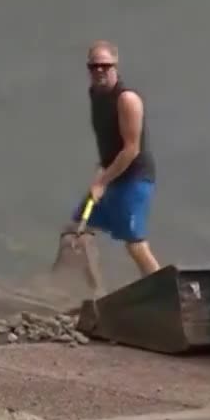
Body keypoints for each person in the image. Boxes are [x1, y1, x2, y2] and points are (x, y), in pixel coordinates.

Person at [63, 40, 162, 287]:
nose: (99, 71)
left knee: (135, 244)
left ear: (115, 66)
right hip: (110, 174)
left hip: (135, 178)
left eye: (105, 66)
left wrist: (101, 182)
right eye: (93, 66)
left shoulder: (128, 100)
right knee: (77, 228)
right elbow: (108, 138)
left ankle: (163, 292)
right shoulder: (95, 94)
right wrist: (102, 168)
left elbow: (131, 149)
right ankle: (95, 292)